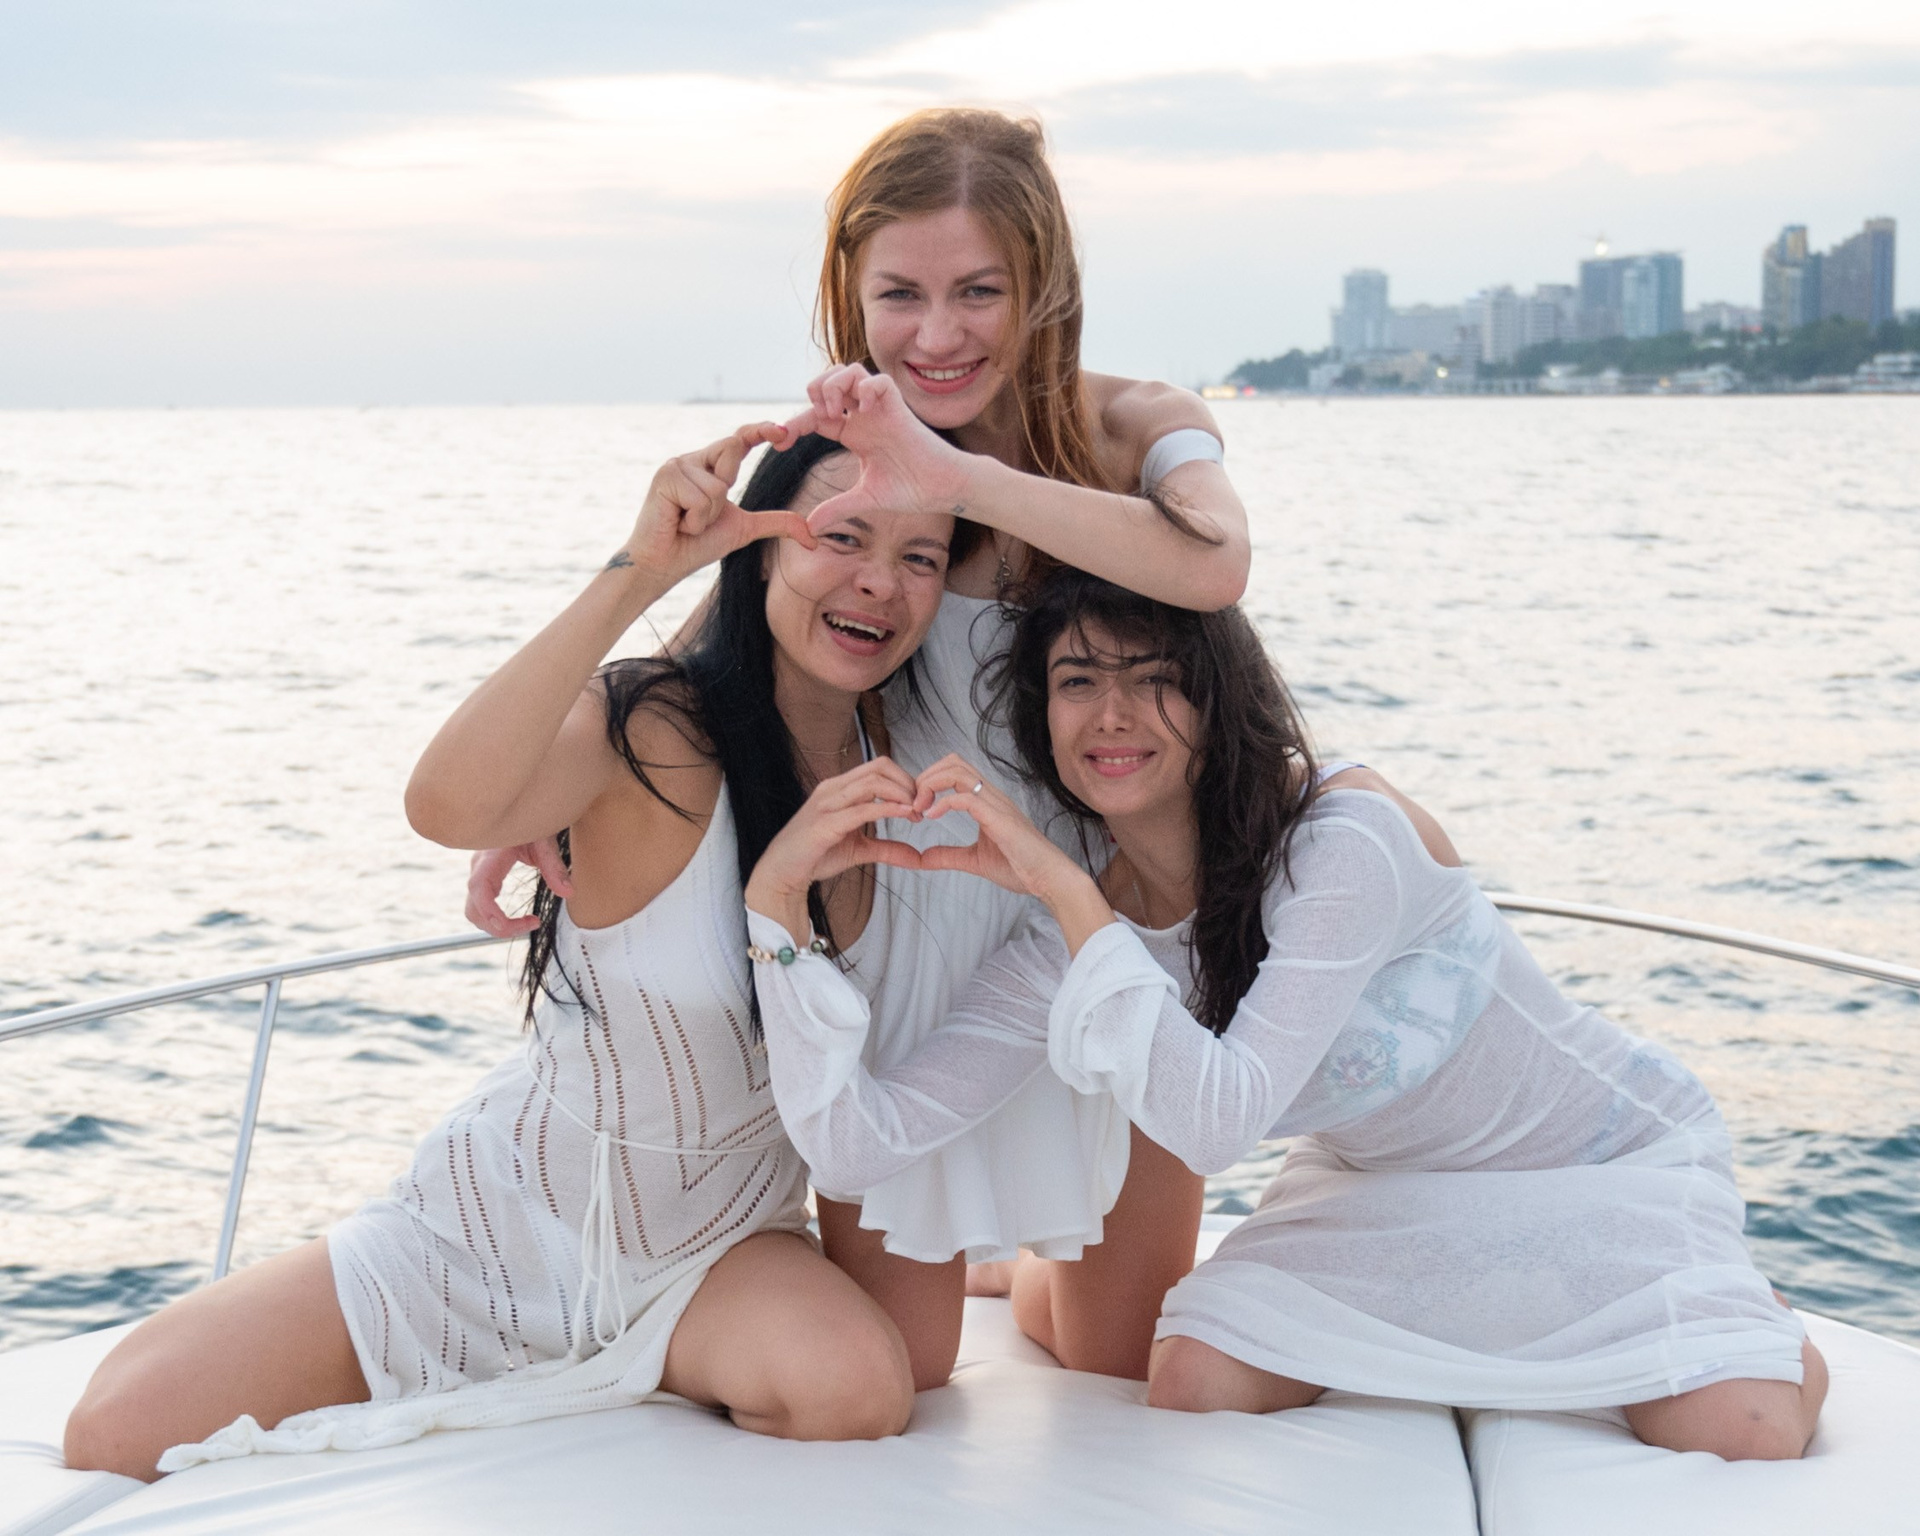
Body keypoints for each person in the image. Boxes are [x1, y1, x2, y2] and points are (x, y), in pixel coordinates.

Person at [63, 425, 1107, 1479]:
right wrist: (643, 570)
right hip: (500, 1228)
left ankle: (621, 1369)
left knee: (856, 1391)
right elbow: (443, 806)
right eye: (842, 537)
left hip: (720, 1250)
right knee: (118, 1427)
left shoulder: (906, 775)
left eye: (920, 557)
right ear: (760, 550)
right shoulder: (654, 729)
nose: (880, 581)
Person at [465, 107, 1255, 1381]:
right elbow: (747, 614)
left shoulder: (1133, 428)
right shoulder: (841, 446)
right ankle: (995, 1262)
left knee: (1115, 1357)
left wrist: (950, 476)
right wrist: (560, 781)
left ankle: (1031, 1279)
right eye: (900, 294)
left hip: (1107, 922)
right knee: (912, 1365)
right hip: (916, 921)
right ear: (850, 293)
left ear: (1044, 286)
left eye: (979, 291)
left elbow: (1216, 566)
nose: (937, 335)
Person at [768, 565, 1822, 1461]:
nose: (1112, 715)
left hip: (1594, 1162)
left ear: (1219, 698)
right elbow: (859, 1147)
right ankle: (1040, 1281)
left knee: (1750, 1426)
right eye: (1077, 680)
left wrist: (1064, 890)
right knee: (1194, 1382)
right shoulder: (1071, 934)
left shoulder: (1339, 836)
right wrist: (777, 913)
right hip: (1382, 1191)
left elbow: (1217, 1125)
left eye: (1156, 678)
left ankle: (1732, 1303)